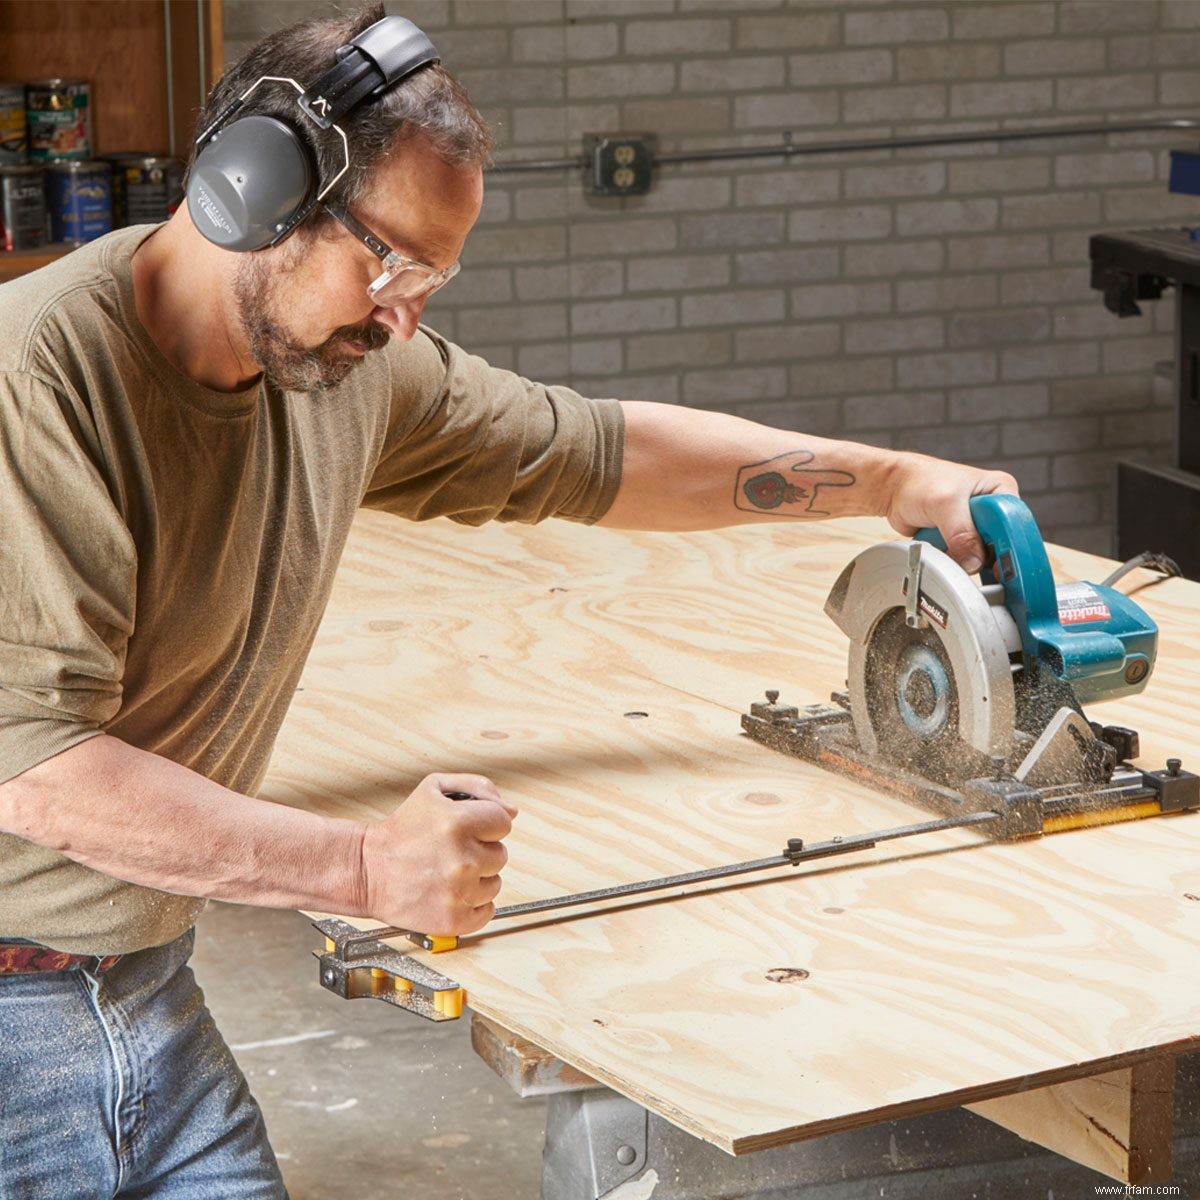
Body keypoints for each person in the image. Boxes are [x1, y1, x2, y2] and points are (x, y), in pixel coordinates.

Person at [0, 5, 1017, 1196]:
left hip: (138, 980)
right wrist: (365, 872)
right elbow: (37, 764)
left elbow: (591, 451)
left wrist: (888, 481)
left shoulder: (340, 369)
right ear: (252, 188)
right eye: (389, 262)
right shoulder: (41, 381)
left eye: (431, 278)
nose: (403, 315)